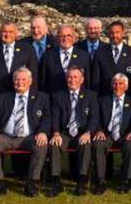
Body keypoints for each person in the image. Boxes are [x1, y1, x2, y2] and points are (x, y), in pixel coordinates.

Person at [0, 67, 49, 198]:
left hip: (29, 137)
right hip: (7, 136)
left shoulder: (41, 97)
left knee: (41, 145)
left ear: (30, 81)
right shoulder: (3, 97)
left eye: (23, 79)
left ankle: (31, 184)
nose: (20, 82)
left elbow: (47, 117)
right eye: (17, 79)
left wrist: (42, 132)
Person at [47, 66, 98, 196]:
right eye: (69, 77)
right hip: (64, 133)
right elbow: (55, 116)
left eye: (75, 77)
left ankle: (81, 183)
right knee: (54, 145)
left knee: (86, 145)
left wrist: (88, 133)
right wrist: (56, 133)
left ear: (82, 79)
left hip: (82, 132)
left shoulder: (90, 95)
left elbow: (94, 117)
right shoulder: (58, 96)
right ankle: (56, 182)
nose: (72, 80)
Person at [92, 74, 131, 194]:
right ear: (111, 85)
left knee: (129, 146)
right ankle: (100, 181)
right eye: (115, 83)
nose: (117, 86)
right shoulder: (102, 100)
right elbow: (96, 118)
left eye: (121, 84)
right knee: (97, 144)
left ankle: (126, 181)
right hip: (107, 134)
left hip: (125, 134)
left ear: (126, 86)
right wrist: (99, 130)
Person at [0, 21, 39, 95]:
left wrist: (32, 96)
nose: (7, 35)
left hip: (21, 95)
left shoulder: (28, 49)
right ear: (0, 33)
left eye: (11, 32)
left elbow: (33, 75)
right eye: (4, 31)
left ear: (16, 33)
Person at [91, 21, 131, 95]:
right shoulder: (100, 53)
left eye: (117, 32)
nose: (114, 35)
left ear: (123, 33)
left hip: (126, 98)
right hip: (105, 98)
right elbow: (96, 80)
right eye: (112, 33)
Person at [39, 24, 90, 93]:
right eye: (62, 36)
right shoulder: (47, 56)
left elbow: (88, 83)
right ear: (57, 38)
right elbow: (42, 83)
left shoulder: (84, 56)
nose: (65, 39)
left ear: (74, 38)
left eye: (69, 35)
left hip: (78, 101)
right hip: (53, 100)